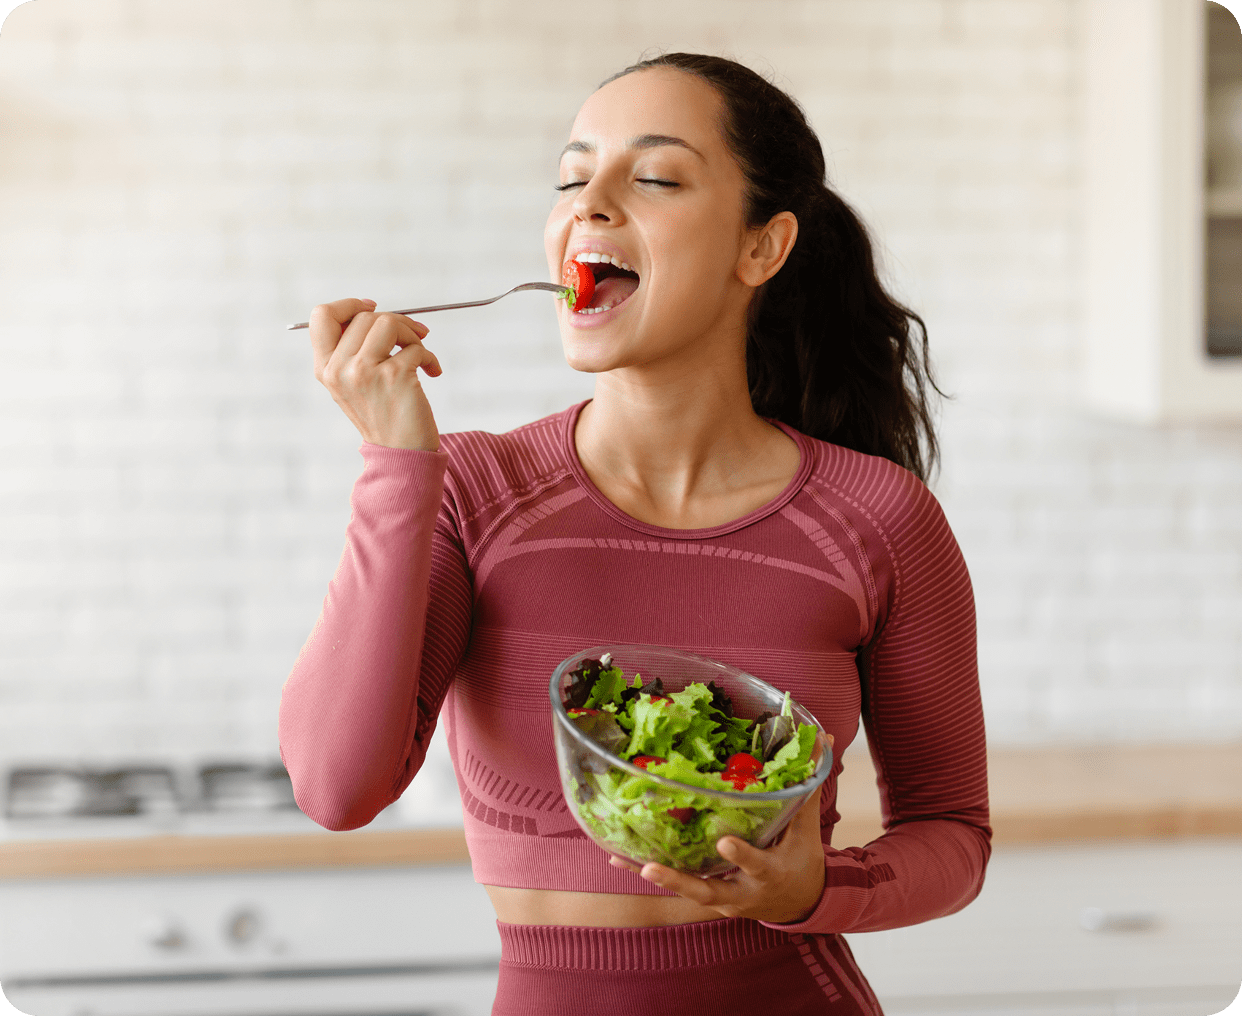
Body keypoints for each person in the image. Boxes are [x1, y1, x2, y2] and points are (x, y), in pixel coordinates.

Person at [279, 53, 990, 1016]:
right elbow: (336, 787)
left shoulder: (881, 520)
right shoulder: (474, 494)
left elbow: (950, 834)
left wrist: (815, 890)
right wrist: (398, 465)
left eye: (652, 177)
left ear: (762, 249)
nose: (591, 203)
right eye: (572, 179)